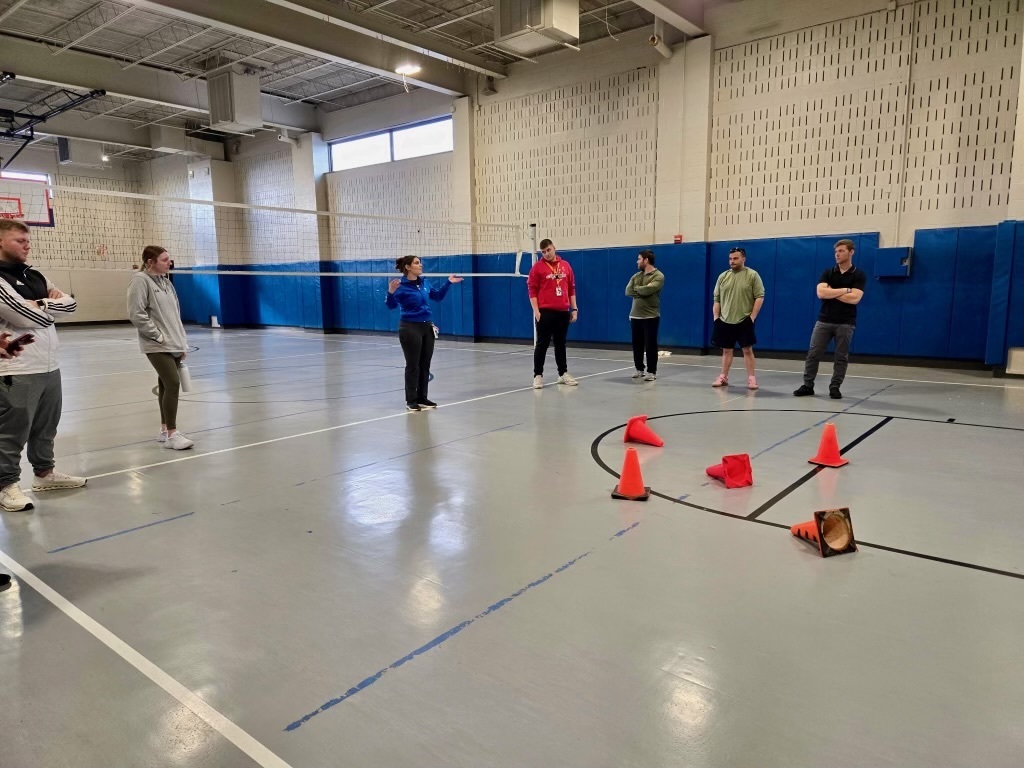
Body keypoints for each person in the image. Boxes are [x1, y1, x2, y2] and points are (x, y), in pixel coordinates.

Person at [0, 219, 86, 513]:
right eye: (19, 241)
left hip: (49, 365)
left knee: (46, 426)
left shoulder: (34, 274)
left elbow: (71, 304)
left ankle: (44, 474)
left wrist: (43, 305)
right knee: (12, 431)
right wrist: (46, 307)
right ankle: (6, 484)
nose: (27, 245)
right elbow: (23, 316)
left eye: (27, 240)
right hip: (15, 368)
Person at [128, 245, 194, 449]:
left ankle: (164, 430)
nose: (170, 263)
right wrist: (157, 336)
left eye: (169, 259)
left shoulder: (166, 283)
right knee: (173, 383)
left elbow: (175, 315)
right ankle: (173, 435)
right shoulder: (140, 281)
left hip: (173, 342)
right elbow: (136, 313)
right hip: (156, 345)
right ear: (150, 262)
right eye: (165, 260)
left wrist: (181, 343)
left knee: (166, 385)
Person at [386, 255, 463, 412]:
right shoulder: (400, 285)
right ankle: (411, 400)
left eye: (420, 262)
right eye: (416, 263)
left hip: (427, 327)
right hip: (409, 327)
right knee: (413, 365)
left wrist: (448, 282)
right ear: (408, 267)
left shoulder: (424, 283)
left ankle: (422, 398)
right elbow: (391, 306)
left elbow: (438, 296)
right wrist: (391, 292)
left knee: (425, 365)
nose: (420, 265)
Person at [793, 239, 866, 400]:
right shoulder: (828, 272)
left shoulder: (859, 275)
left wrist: (832, 291)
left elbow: (854, 298)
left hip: (846, 323)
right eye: (836, 252)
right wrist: (845, 290)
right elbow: (821, 293)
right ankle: (808, 385)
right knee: (813, 353)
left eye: (841, 251)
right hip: (824, 321)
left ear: (851, 252)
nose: (837, 254)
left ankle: (835, 387)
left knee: (841, 357)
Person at [711, 247, 765, 389]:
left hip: (744, 320)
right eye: (730, 259)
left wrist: (752, 317)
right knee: (726, 350)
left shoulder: (752, 275)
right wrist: (716, 318)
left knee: (747, 350)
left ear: (743, 259)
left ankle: (752, 378)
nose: (732, 261)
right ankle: (723, 376)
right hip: (725, 320)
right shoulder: (723, 277)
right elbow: (717, 299)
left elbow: (759, 296)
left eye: (735, 258)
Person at [528, 239, 578, 389]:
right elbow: (532, 290)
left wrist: (574, 309)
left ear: (554, 248)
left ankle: (563, 373)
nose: (546, 254)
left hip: (562, 312)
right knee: (542, 344)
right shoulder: (537, 268)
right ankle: (538, 375)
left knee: (560, 344)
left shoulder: (566, 266)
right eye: (543, 252)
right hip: (545, 312)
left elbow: (571, 289)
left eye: (548, 250)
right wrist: (536, 311)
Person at [625, 249, 665, 381]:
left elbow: (649, 289)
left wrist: (638, 290)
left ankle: (651, 372)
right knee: (637, 344)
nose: (637, 261)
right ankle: (639, 369)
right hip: (635, 316)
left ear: (646, 260)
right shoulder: (636, 276)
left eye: (639, 259)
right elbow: (628, 291)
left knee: (651, 345)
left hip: (651, 316)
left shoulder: (658, 276)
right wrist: (640, 291)